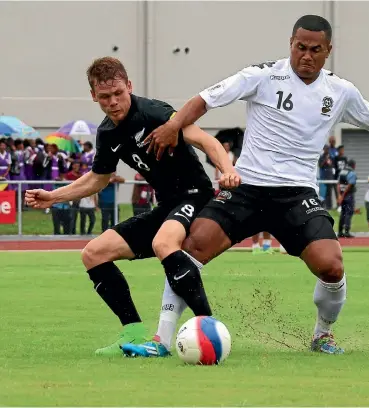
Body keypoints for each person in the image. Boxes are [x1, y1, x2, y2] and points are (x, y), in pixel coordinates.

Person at [132, 14, 369, 357]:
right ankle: (161, 339)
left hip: (296, 195)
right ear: (291, 44)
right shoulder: (262, 76)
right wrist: (174, 125)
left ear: (328, 50)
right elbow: (205, 99)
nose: (306, 55)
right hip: (247, 189)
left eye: (314, 49)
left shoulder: (341, 92)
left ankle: (322, 335)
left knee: (332, 267)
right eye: (300, 47)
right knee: (191, 249)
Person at [25, 56, 240, 356]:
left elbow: (208, 142)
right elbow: (98, 179)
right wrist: (54, 196)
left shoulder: (153, 112)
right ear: (93, 96)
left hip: (195, 196)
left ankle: (208, 327)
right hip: (166, 207)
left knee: (163, 241)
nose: (113, 102)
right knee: (93, 254)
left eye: (118, 94)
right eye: (104, 97)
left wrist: (226, 169)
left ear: (129, 86)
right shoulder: (107, 133)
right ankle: (133, 331)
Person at [337, 160, 357, 238]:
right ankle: (347, 232)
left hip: (342, 195)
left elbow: (338, 184)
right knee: (349, 213)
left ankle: (340, 232)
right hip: (348, 195)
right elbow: (349, 185)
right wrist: (343, 195)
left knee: (343, 213)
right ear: (353, 165)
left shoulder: (342, 172)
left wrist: (339, 195)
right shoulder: (351, 173)